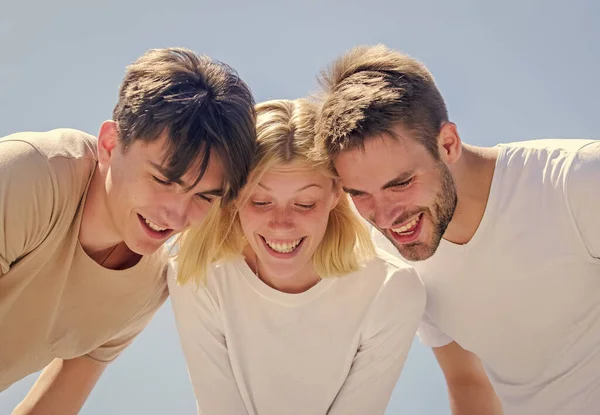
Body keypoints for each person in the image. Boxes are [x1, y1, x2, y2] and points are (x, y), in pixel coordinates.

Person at [313, 43, 600, 415]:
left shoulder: (577, 183)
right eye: (360, 194)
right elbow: (467, 381)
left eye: (400, 184)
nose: (384, 217)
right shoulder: (393, 253)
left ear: (448, 144)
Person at [0, 47, 256, 414]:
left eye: (204, 196)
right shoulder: (28, 175)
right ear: (110, 144)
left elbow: (53, 406)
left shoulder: (147, 286)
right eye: (163, 179)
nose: (177, 214)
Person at [168, 98, 425, 415]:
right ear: (233, 196)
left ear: (335, 194)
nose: (281, 224)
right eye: (260, 202)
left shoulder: (391, 290)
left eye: (304, 204)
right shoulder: (198, 275)